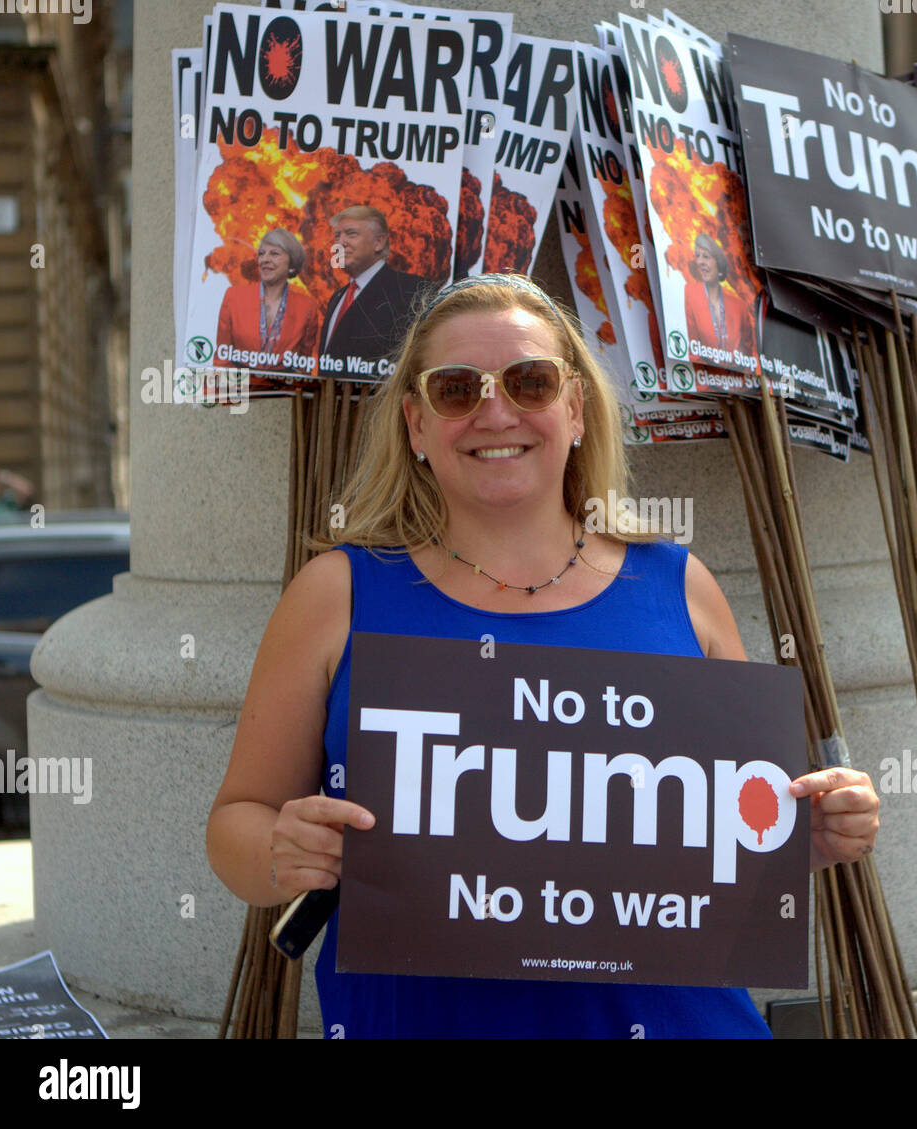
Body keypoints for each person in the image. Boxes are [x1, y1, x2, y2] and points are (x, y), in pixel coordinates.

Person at [206, 273, 879, 1038]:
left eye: (530, 380)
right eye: (458, 388)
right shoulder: (337, 593)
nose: (496, 410)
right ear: (416, 425)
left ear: (575, 408)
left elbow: (731, 837)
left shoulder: (680, 587)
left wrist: (805, 840)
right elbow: (235, 823)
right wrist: (280, 850)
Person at [319, 205, 425, 367]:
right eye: (337, 236)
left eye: (351, 234)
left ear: (379, 242)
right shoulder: (338, 297)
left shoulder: (410, 291)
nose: (340, 242)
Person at [215, 229, 319, 375]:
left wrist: (286, 395)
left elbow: (303, 364)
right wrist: (235, 394)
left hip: (283, 390)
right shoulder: (233, 296)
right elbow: (222, 358)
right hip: (240, 385)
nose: (265, 259)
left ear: (292, 263)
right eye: (262, 254)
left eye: (274, 254)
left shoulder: (307, 307)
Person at [683, 232, 757, 366]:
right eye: (697, 256)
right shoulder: (688, 294)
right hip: (700, 379)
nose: (700, 262)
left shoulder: (739, 306)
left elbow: (748, 357)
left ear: (719, 264)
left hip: (734, 383)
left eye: (706, 257)